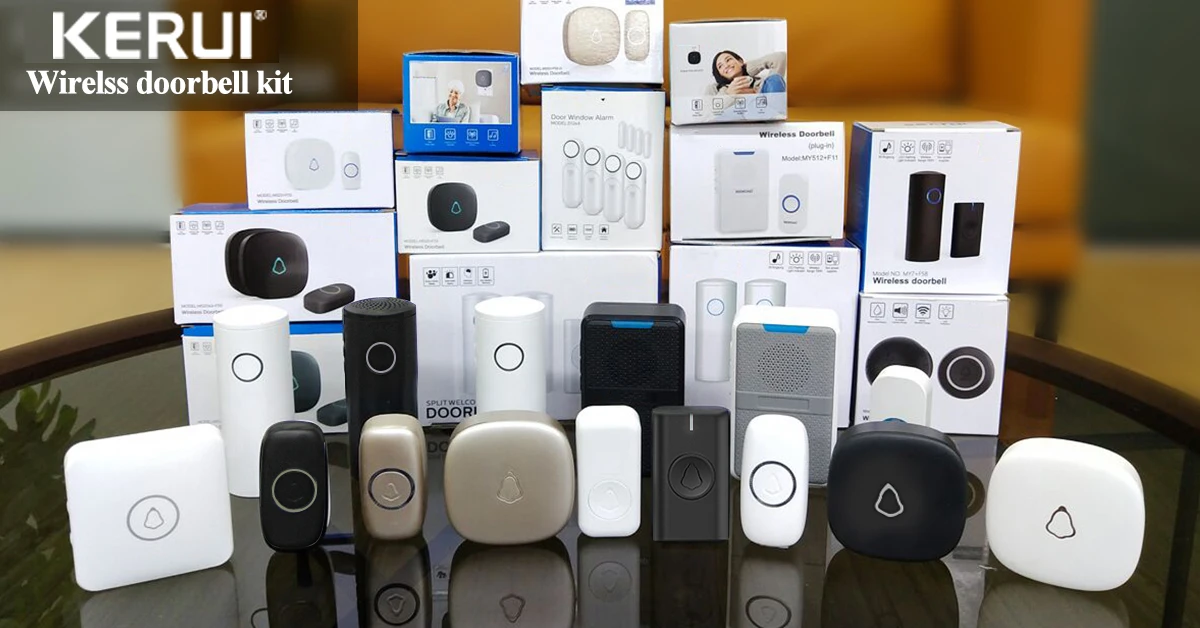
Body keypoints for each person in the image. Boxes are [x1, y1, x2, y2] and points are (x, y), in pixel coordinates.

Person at [707, 51, 787, 96]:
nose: (726, 65)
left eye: (728, 60)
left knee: (775, 79)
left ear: (740, 61)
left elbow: (780, 58)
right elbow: (707, 112)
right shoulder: (715, 89)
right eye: (720, 66)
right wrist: (728, 94)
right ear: (719, 74)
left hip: (765, 110)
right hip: (734, 117)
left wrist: (747, 68)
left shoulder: (762, 83)